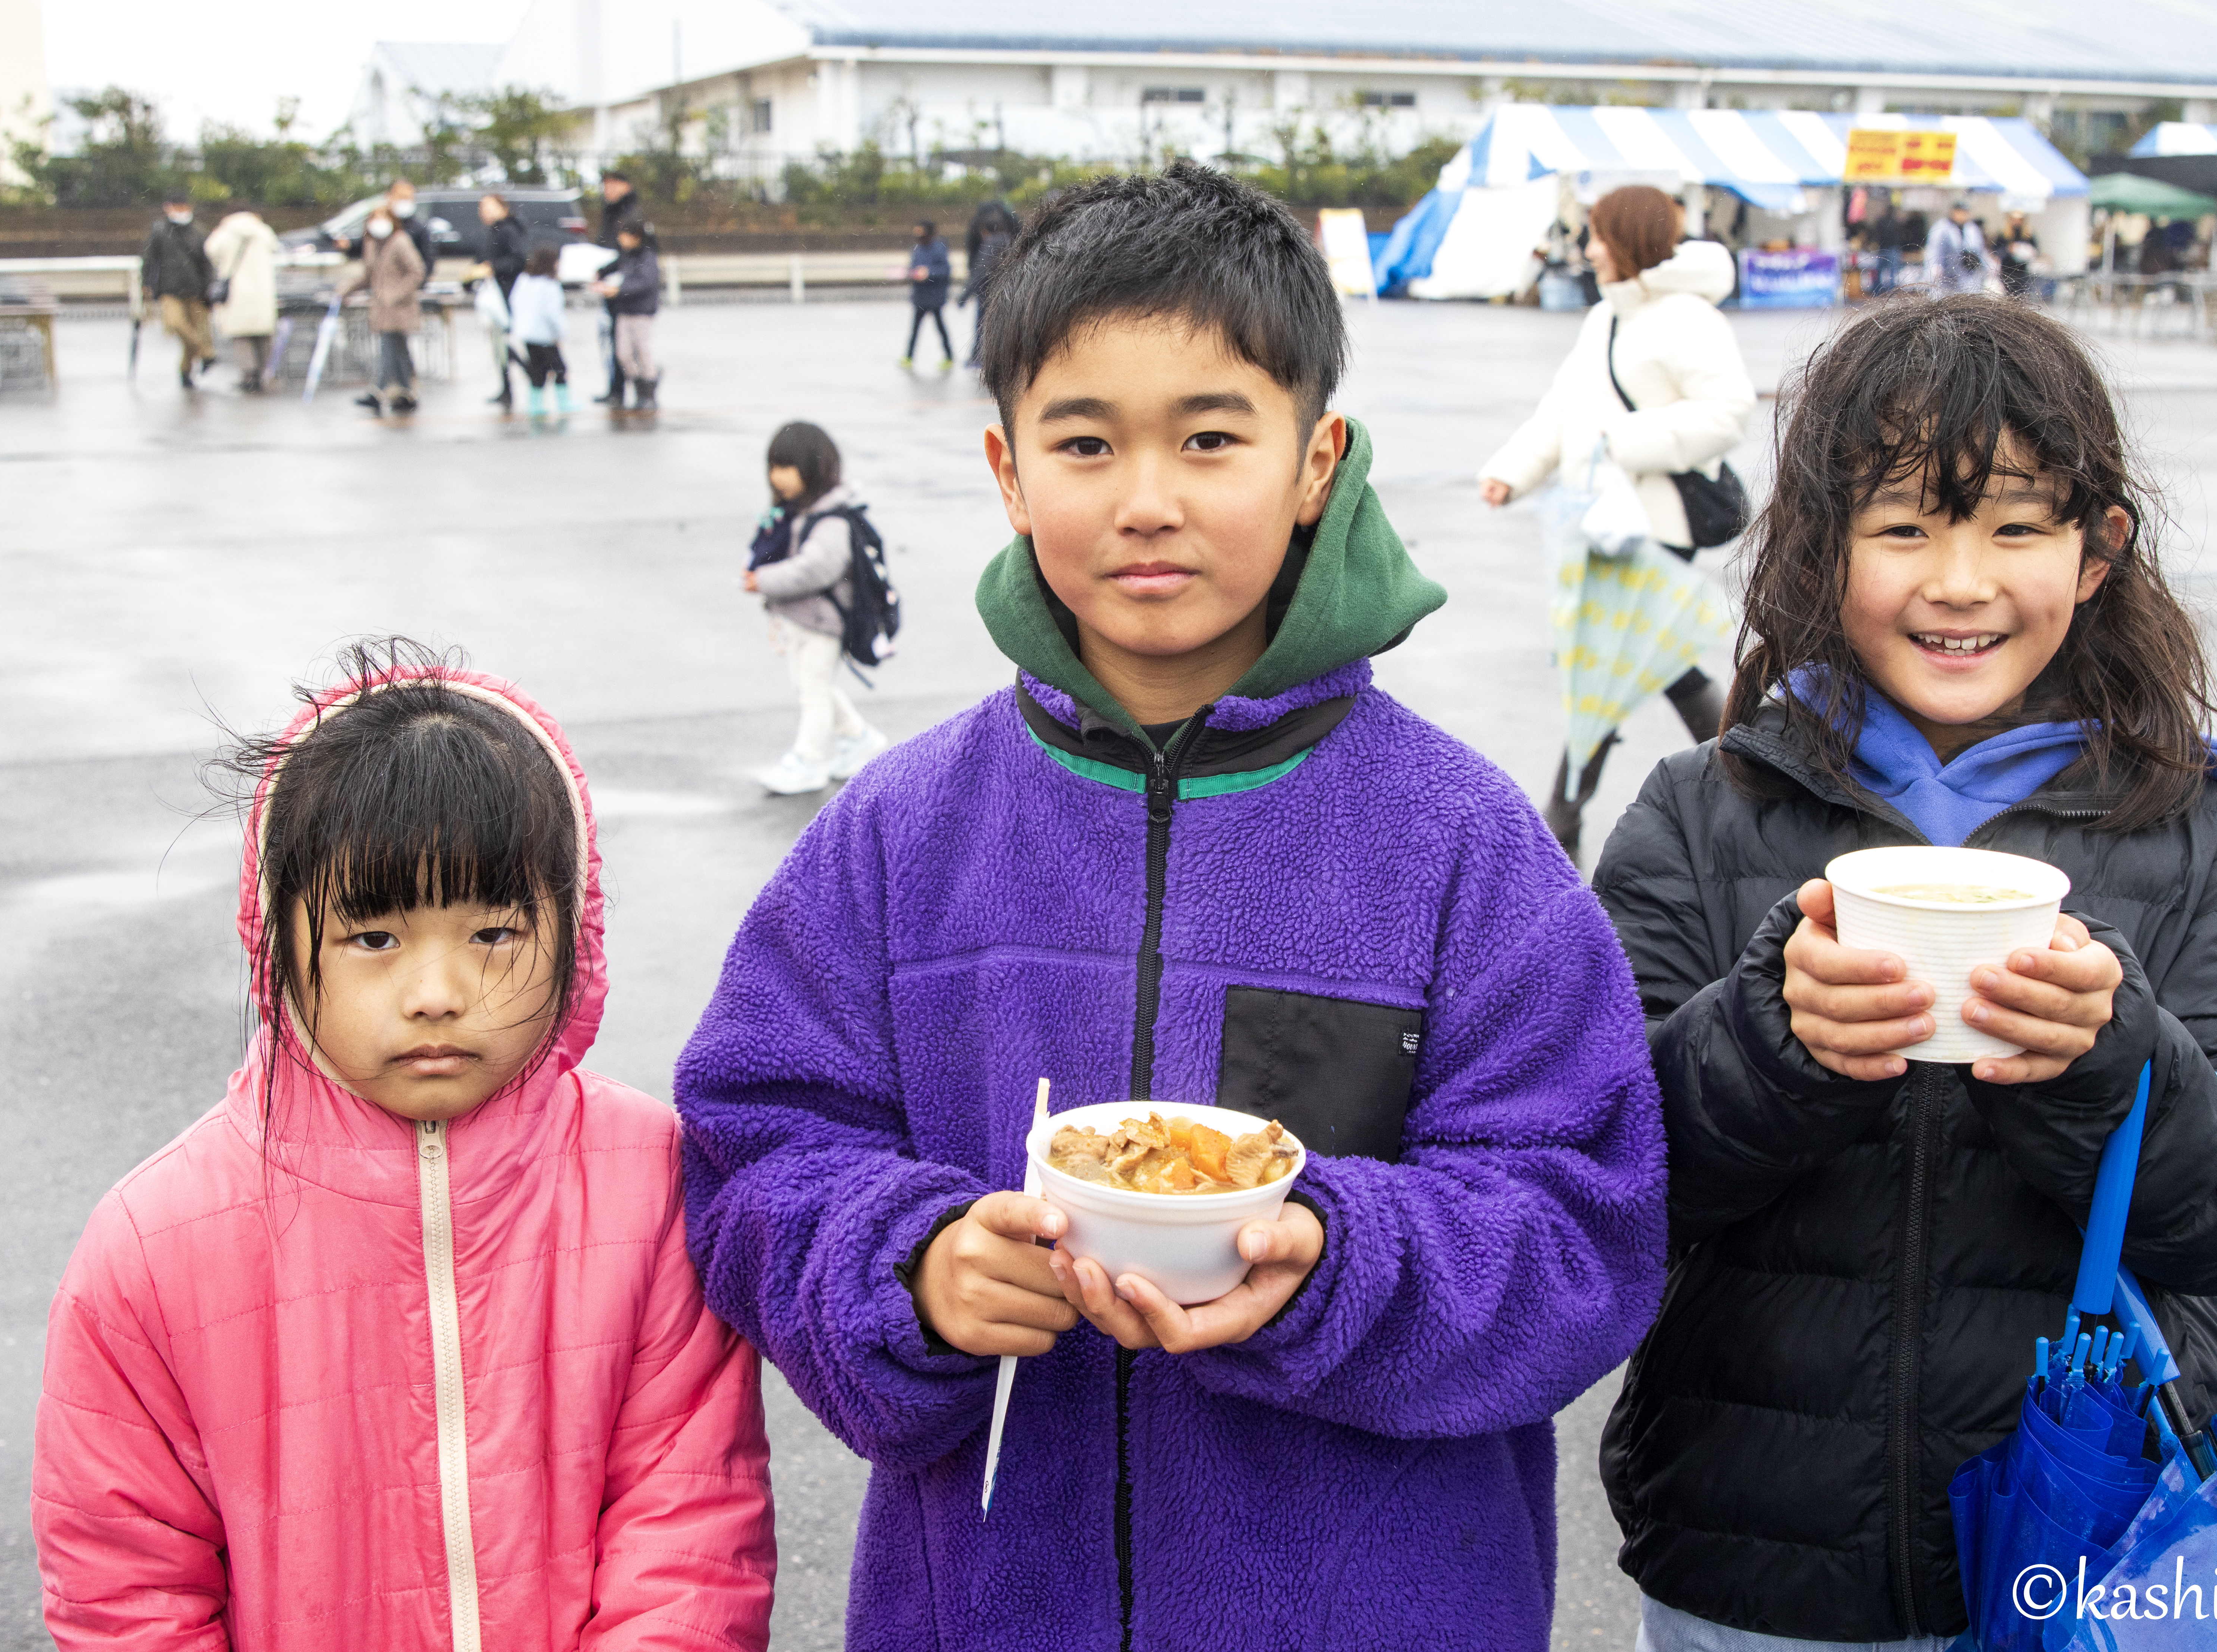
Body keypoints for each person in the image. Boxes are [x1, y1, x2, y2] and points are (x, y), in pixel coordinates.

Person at [673, 162, 1667, 1652]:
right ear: (1011, 474)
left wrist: (1340, 1260)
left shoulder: (1461, 846)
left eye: (1212, 439)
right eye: (1086, 443)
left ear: (1317, 459)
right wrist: (913, 1271)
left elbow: (1585, 1220)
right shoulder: (898, 839)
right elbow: (754, 1157)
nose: (1149, 502)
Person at [1592, 295, 2217, 1649]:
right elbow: (1604, 1170)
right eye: (1904, 528)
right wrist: (1775, 1043)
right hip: (1757, 1565)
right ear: (1825, 555)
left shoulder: (2194, 831)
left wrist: (2116, 1066)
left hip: (2105, 1548)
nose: (1960, 581)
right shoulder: (1700, 815)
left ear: (2097, 552)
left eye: (2015, 526)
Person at [30, 640, 776, 1649]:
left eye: (494, 933)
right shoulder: (154, 1244)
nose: (436, 991)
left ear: (577, 925)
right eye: (374, 937)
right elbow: (127, 1589)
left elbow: (687, 1528)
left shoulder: (651, 1184)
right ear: (275, 935)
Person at [1479, 184, 1756, 857]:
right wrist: (1513, 469)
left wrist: (1622, 441)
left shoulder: (1687, 319)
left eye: (1599, 236)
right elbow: (1561, 408)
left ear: (1627, 239)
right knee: (1638, 659)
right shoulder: (1605, 317)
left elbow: (1728, 412)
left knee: (1604, 662)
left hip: (1650, 523)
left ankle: (1561, 819)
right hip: (1595, 519)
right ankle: (1752, 774)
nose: (1589, 249)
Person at [742, 420, 890, 794]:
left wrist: (765, 580)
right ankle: (859, 738)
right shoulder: (802, 511)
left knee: (814, 691)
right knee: (813, 686)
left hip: (824, 623)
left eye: (786, 467)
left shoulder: (832, 519)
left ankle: (807, 760)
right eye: (773, 467)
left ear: (813, 468)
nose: (778, 477)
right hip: (803, 620)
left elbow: (815, 569)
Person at [341, 201, 426, 415]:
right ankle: (407, 391)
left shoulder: (400, 242)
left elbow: (417, 272)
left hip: (398, 307)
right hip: (382, 307)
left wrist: (395, 294)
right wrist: (348, 289)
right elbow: (369, 276)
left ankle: (378, 391)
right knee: (398, 349)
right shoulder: (372, 244)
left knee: (389, 347)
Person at [140, 188, 216, 390]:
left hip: (196, 289)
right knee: (175, 324)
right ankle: (206, 352)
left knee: (194, 327)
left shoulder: (199, 231)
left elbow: (206, 263)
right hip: (169, 289)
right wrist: (146, 283)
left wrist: (209, 287)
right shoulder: (159, 231)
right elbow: (149, 259)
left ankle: (185, 371)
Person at [201, 200, 279, 393]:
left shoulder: (225, 232)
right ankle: (262, 373)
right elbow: (276, 247)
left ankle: (248, 375)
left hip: (237, 292)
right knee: (263, 333)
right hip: (263, 291)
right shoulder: (262, 230)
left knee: (241, 335)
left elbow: (210, 251)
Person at [598, 217, 662, 411]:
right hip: (624, 311)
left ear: (635, 236)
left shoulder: (647, 257)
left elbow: (646, 283)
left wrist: (619, 291)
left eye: (623, 235)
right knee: (623, 354)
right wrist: (599, 274)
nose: (620, 239)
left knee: (643, 351)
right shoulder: (626, 256)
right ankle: (639, 387)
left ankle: (648, 393)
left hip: (641, 312)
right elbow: (612, 268)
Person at [475, 191, 531, 407]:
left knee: (508, 339)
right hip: (497, 293)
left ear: (503, 208)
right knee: (501, 341)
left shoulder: (509, 230)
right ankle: (508, 386)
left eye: (490, 208)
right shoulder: (494, 232)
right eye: (483, 209)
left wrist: (493, 269)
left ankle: (530, 371)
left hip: (508, 292)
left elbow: (519, 259)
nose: (486, 213)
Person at [508, 242, 576, 416]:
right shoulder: (550, 285)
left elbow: (514, 302)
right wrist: (560, 333)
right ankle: (564, 403)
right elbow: (553, 313)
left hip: (527, 334)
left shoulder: (524, 280)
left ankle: (535, 405)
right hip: (546, 336)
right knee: (560, 368)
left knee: (538, 370)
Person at [594, 168, 640, 404]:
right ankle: (616, 387)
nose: (607, 190)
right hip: (611, 282)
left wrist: (606, 270)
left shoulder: (630, 214)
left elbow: (628, 253)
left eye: (612, 185)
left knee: (626, 341)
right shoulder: (611, 212)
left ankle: (635, 388)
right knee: (614, 338)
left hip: (623, 285)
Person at [960, 197, 1020, 371]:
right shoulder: (1009, 230)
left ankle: (980, 357)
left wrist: (967, 292)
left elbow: (977, 266)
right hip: (1008, 286)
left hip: (987, 289)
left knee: (983, 322)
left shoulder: (988, 238)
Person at [899, 218, 953, 369]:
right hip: (920, 297)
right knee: (915, 329)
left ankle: (949, 356)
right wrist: (910, 276)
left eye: (923, 236)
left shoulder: (939, 249)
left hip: (935, 297)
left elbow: (946, 271)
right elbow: (913, 268)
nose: (920, 239)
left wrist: (929, 273)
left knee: (941, 327)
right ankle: (909, 357)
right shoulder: (916, 250)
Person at [1927, 198, 1995, 294]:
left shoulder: (1972, 228)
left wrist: (1989, 266)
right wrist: (1934, 266)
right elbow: (1935, 249)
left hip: (1968, 275)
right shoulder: (1941, 227)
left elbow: (1980, 251)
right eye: (1960, 212)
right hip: (1947, 276)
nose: (1962, 215)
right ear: (1953, 212)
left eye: (1965, 212)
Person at [1870, 200, 1906, 294]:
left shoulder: (1881, 221)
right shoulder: (1896, 222)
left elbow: (1875, 233)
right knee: (1893, 274)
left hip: (1883, 249)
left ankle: (1877, 292)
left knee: (1879, 272)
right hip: (1893, 249)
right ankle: (1892, 293)